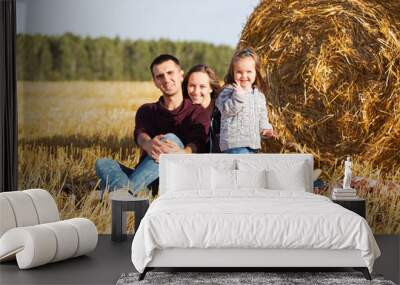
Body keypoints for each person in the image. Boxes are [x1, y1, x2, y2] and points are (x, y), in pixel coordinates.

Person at [95, 54, 210, 196]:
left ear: (181, 75)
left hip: (175, 177)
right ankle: (126, 194)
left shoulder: (198, 111)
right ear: (155, 81)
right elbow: (140, 133)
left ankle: (118, 193)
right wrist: (147, 143)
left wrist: (183, 153)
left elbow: (199, 141)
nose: (166, 79)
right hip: (145, 177)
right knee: (103, 163)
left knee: (170, 139)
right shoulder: (147, 110)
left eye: (170, 73)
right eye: (160, 76)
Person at [215, 47, 275, 154]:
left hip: (253, 144)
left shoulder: (259, 95)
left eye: (249, 72)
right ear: (232, 72)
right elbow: (225, 110)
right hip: (234, 144)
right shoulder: (229, 90)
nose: (244, 76)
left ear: (256, 72)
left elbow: (262, 116)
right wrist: (238, 97)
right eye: (239, 72)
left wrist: (265, 129)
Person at [182, 64, 221, 153]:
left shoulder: (223, 111)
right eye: (192, 85)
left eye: (202, 86)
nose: (196, 92)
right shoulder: (181, 112)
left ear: (211, 88)